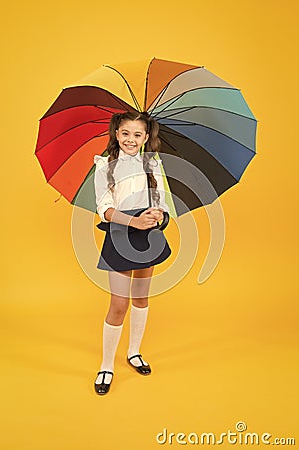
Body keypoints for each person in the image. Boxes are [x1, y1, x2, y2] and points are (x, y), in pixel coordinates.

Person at [93, 111, 172, 395]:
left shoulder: (152, 164)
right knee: (119, 303)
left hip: (147, 235)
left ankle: (134, 352)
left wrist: (157, 214)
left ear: (146, 137)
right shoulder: (105, 166)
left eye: (138, 134)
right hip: (121, 233)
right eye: (125, 133)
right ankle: (106, 365)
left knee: (141, 297)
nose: (131, 139)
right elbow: (105, 209)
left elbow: (162, 201)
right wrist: (135, 221)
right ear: (116, 134)